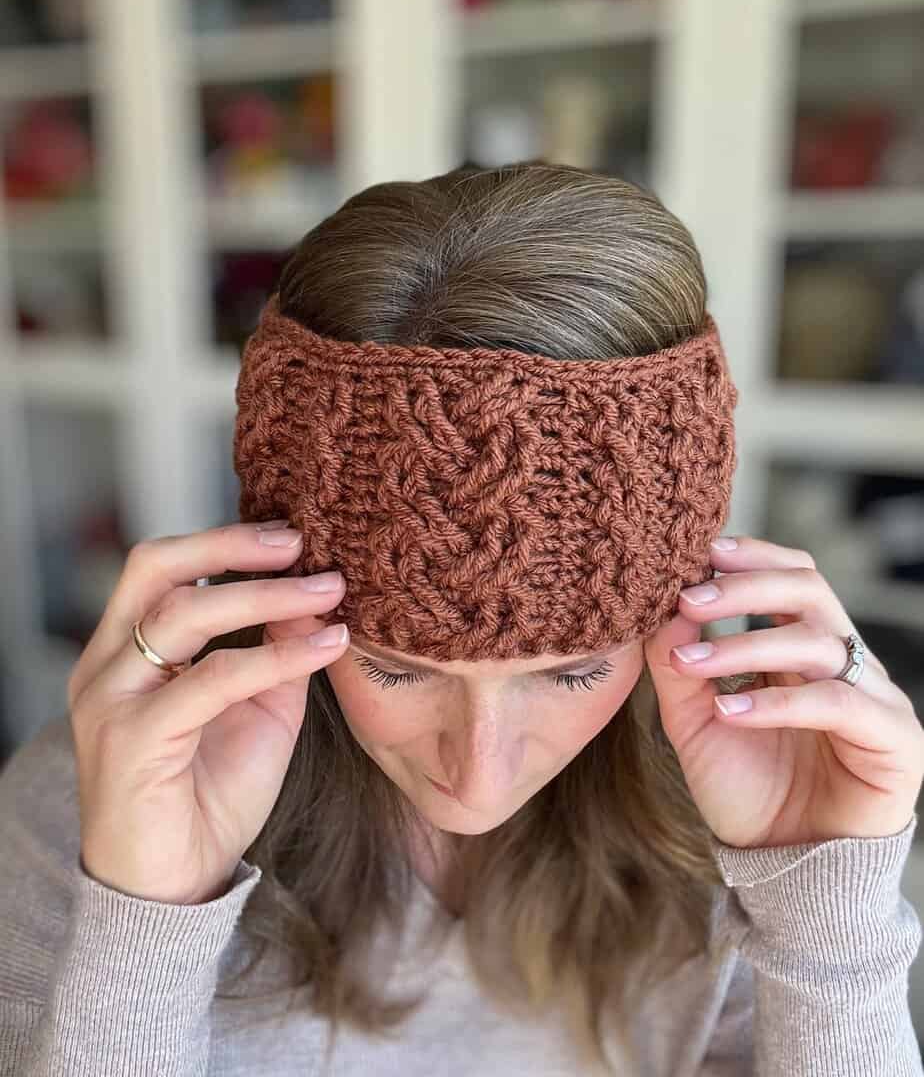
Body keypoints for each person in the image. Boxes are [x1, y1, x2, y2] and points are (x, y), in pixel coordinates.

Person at [1, 161, 922, 1076]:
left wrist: (822, 915)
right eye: (398, 668)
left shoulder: (753, 817)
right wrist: (142, 919)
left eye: (573, 671)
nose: (478, 774)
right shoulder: (96, 810)